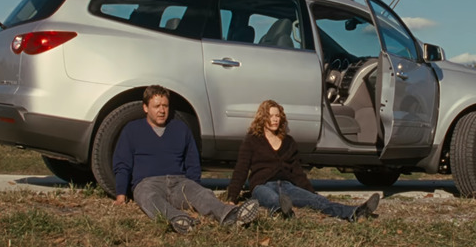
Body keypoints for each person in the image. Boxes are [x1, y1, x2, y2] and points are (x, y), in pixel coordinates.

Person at [113, 85, 259, 234]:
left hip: (178, 182)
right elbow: (123, 164)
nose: (162, 111)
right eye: (157, 106)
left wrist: (193, 187)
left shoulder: (180, 128)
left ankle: (230, 215)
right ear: (145, 108)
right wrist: (121, 195)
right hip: (148, 183)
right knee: (148, 198)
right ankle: (179, 219)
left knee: (202, 194)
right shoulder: (132, 130)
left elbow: (192, 163)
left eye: (165, 106)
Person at [227, 99, 379, 221]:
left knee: (319, 202)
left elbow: (298, 173)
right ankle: (285, 213)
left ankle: (356, 212)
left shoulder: (289, 142)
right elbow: (241, 169)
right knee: (273, 199)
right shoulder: (252, 140)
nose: (274, 120)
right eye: (270, 116)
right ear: (263, 118)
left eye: (277, 116)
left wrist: (311, 193)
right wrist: (232, 198)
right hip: (262, 185)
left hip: (287, 186)